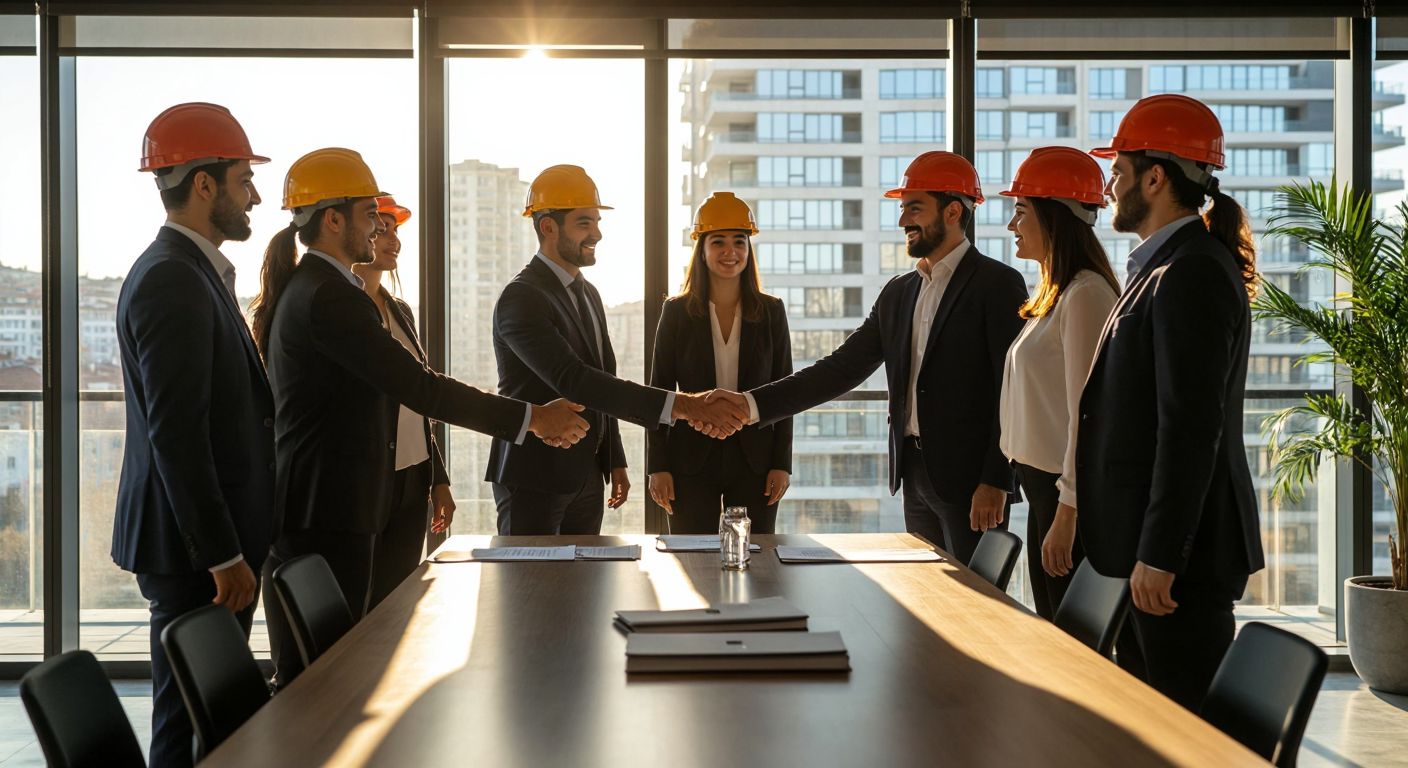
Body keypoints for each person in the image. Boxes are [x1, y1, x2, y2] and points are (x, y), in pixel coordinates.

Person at [250, 148, 589, 687]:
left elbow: (401, 396)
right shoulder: (330, 296)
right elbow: (420, 388)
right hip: (327, 508)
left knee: (345, 666)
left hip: (342, 502)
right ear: (333, 219)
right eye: (369, 216)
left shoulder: (320, 289)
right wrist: (531, 419)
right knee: (321, 678)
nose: (378, 227)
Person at [710, 152, 1028, 565]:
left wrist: (996, 481)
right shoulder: (899, 292)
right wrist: (751, 404)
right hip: (914, 476)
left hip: (972, 485)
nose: (902, 222)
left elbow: (1011, 392)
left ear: (953, 211)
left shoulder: (998, 284)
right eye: (902, 209)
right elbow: (841, 369)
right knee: (929, 596)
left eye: (914, 208)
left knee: (981, 604)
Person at [1073, 94, 1264, 711]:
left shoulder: (1191, 273)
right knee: (1149, 724)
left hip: (1180, 562)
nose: (1110, 185)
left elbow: (1189, 428)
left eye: (1119, 172)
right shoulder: (1164, 267)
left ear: (1155, 177)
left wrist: (1160, 553)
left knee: (1184, 732)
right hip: (1151, 552)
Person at [113, 102, 272, 768]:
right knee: (184, 724)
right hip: (194, 555)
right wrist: (221, 554)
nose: (255, 196)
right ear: (202, 184)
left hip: (206, 546)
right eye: (242, 179)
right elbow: (178, 435)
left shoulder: (195, 271)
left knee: (215, 715)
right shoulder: (173, 280)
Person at [488, 164, 749, 536]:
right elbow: (574, 380)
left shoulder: (589, 294)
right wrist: (686, 406)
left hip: (586, 477)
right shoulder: (522, 297)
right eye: (584, 224)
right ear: (548, 226)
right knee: (530, 588)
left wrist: (614, 459)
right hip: (535, 476)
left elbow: (603, 381)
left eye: (596, 222)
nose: (597, 233)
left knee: (584, 590)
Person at [995, 147, 1120, 621]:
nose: (1012, 226)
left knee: (1068, 640)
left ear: (1054, 217)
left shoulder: (1087, 294)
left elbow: (1087, 414)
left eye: (1021, 212)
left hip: (1064, 497)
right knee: (1052, 625)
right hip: (1043, 492)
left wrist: (1068, 511)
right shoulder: (1059, 293)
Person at [646, 192, 793, 533]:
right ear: (702, 249)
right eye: (719, 242)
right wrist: (658, 465)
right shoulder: (676, 312)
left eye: (739, 242)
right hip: (688, 461)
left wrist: (781, 464)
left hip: (756, 460)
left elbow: (786, 391)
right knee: (692, 560)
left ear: (749, 249)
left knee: (755, 560)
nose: (731, 252)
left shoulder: (772, 311)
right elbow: (660, 390)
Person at [349, 196, 454, 609]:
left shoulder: (401, 310)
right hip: (370, 481)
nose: (394, 240)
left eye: (396, 231)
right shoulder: (344, 311)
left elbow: (419, 399)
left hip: (412, 478)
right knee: (364, 607)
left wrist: (438, 477)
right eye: (383, 229)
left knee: (398, 602)